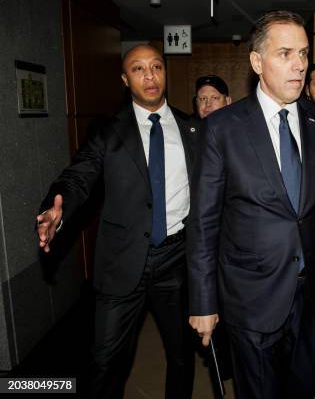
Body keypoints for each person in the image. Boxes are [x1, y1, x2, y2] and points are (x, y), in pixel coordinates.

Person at [187, 11, 315, 399]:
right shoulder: (223, 128)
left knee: (308, 388)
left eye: (304, 53)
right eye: (285, 53)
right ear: (257, 62)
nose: (299, 64)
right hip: (251, 295)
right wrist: (203, 301)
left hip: (314, 293)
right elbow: (204, 222)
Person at [36, 44, 197, 399]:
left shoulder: (193, 130)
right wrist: (56, 207)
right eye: (139, 70)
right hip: (122, 259)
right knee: (106, 361)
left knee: (182, 356)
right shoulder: (108, 132)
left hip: (177, 259)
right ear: (126, 80)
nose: (150, 76)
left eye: (156, 67)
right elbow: (79, 176)